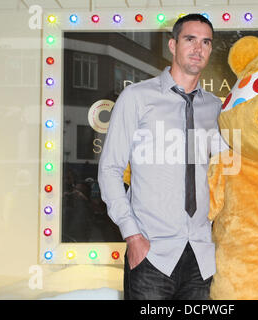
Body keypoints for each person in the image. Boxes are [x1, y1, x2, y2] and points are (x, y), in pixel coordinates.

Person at [98, 14, 224, 300]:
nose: (198, 48)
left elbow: (233, 168)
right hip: (152, 255)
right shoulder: (137, 97)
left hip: (202, 256)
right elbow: (110, 170)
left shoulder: (216, 108)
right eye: (190, 39)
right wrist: (132, 236)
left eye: (206, 42)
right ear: (172, 45)